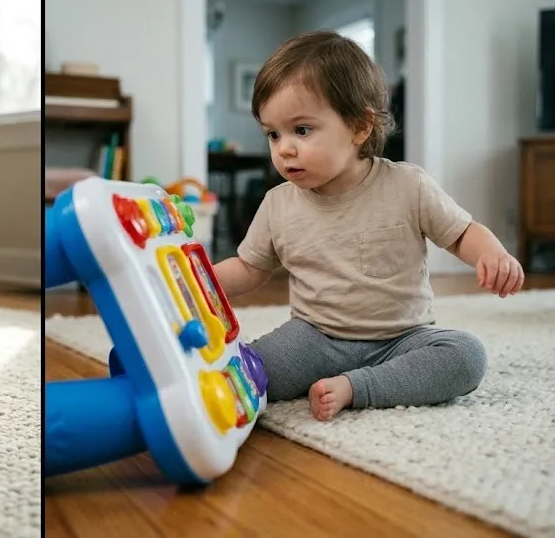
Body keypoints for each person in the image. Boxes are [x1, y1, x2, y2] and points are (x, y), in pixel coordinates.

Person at [213, 31, 524, 421]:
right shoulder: (278, 203)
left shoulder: (408, 185)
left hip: (403, 339)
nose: (284, 148)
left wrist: (492, 252)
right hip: (315, 338)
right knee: (246, 374)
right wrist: (203, 280)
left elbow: (461, 232)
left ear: (360, 127)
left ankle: (358, 387)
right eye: (273, 134)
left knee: (466, 357)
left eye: (302, 130)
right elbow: (249, 268)